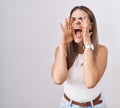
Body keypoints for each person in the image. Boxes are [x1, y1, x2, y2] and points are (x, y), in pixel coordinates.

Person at [51, 5, 108, 108]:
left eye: (81, 19)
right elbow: (58, 79)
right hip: (66, 105)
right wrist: (63, 44)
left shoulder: (101, 51)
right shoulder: (61, 49)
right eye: (73, 19)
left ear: (91, 25)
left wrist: (87, 42)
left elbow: (90, 82)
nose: (76, 22)